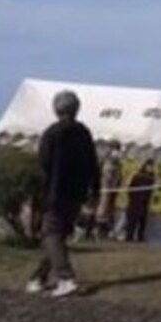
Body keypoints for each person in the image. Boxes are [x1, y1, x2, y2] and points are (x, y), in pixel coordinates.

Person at [27, 90, 100, 298]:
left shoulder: (52, 133)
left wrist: (38, 193)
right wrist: (94, 189)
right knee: (57, 236)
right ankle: (38, 277)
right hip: (77, 192)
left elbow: (43, 166)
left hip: (55, 192)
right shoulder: (84, 132)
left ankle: (65, 278)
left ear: (56, 109)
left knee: (51, 234)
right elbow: (93, 164)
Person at [122, 159, 155, 243]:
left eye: (151, 166)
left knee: (142, 221)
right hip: (135, 202)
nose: (150, 168)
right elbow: (131, 188)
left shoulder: (151, 178)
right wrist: (132, 198)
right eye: (149, 166)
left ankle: (140, 236)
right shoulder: (138, 176)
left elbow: (150, 191)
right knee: (132, 220)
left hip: (144, 202)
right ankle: (129, 235)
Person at [94, 149, 124, 240]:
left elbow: (117, 178)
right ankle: (98, 230)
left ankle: (105, 231)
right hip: (106, 189)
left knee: (109, 210)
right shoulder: (108, 166)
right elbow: (108, 178)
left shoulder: (117, 166)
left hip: (112, 190)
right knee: (102, 208)